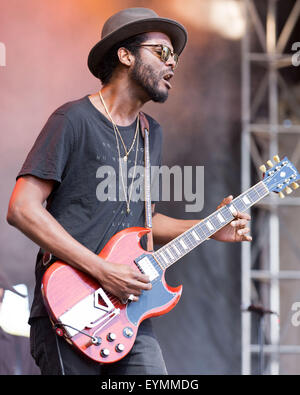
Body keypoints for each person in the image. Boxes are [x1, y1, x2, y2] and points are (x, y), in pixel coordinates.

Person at [6, 8, 251, 375]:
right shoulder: (72, 120)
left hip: (127, 311)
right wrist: (102, 269)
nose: (173, 65)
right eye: (162, 53)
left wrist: (208, 226)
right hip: (70, 306)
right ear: (125, 55)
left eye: (176, 57)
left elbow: (145, 219)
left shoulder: (152, 133)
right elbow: (22, 208)